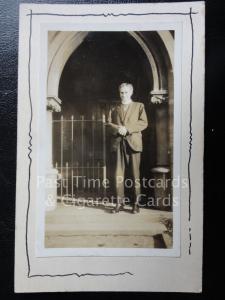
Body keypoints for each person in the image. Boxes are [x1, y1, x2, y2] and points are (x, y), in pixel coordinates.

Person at [106, 83, 148, 213]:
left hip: (133, 144)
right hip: (119, 143)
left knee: (135, 174)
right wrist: (119, 129)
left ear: (131, 92)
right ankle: (120, 204)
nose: (123, 95)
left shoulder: (139, 106)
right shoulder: (114, 109)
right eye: (121, 92)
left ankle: (136, 204)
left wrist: (128, 129)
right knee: (118, 174)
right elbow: (108, 124)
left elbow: (143, 123)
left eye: (125, 92)